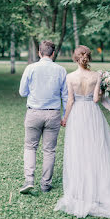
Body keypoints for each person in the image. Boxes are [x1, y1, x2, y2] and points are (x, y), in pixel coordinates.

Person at [54, 45, 110, 218]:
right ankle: (100, 186)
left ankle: (81, 186)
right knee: (97, 147)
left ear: (75, 58)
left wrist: (65, 118)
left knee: (79, 149)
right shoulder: (96, 75)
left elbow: (70, 101)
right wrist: (100, 85)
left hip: (77, 114)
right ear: (88, 58)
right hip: (92, 113)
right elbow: (95, 99)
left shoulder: (70, 77)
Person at [19, 40, 68, 194]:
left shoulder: (30, 68)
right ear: (53, 54)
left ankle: (29, 180)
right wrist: (65, 115)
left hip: (34, 112)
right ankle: (45, 184)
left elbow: (22, 92)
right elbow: (65, 96)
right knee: (49, 150)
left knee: (30, 146)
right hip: (53, 114)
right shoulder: (61, 70)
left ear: (39, 53)